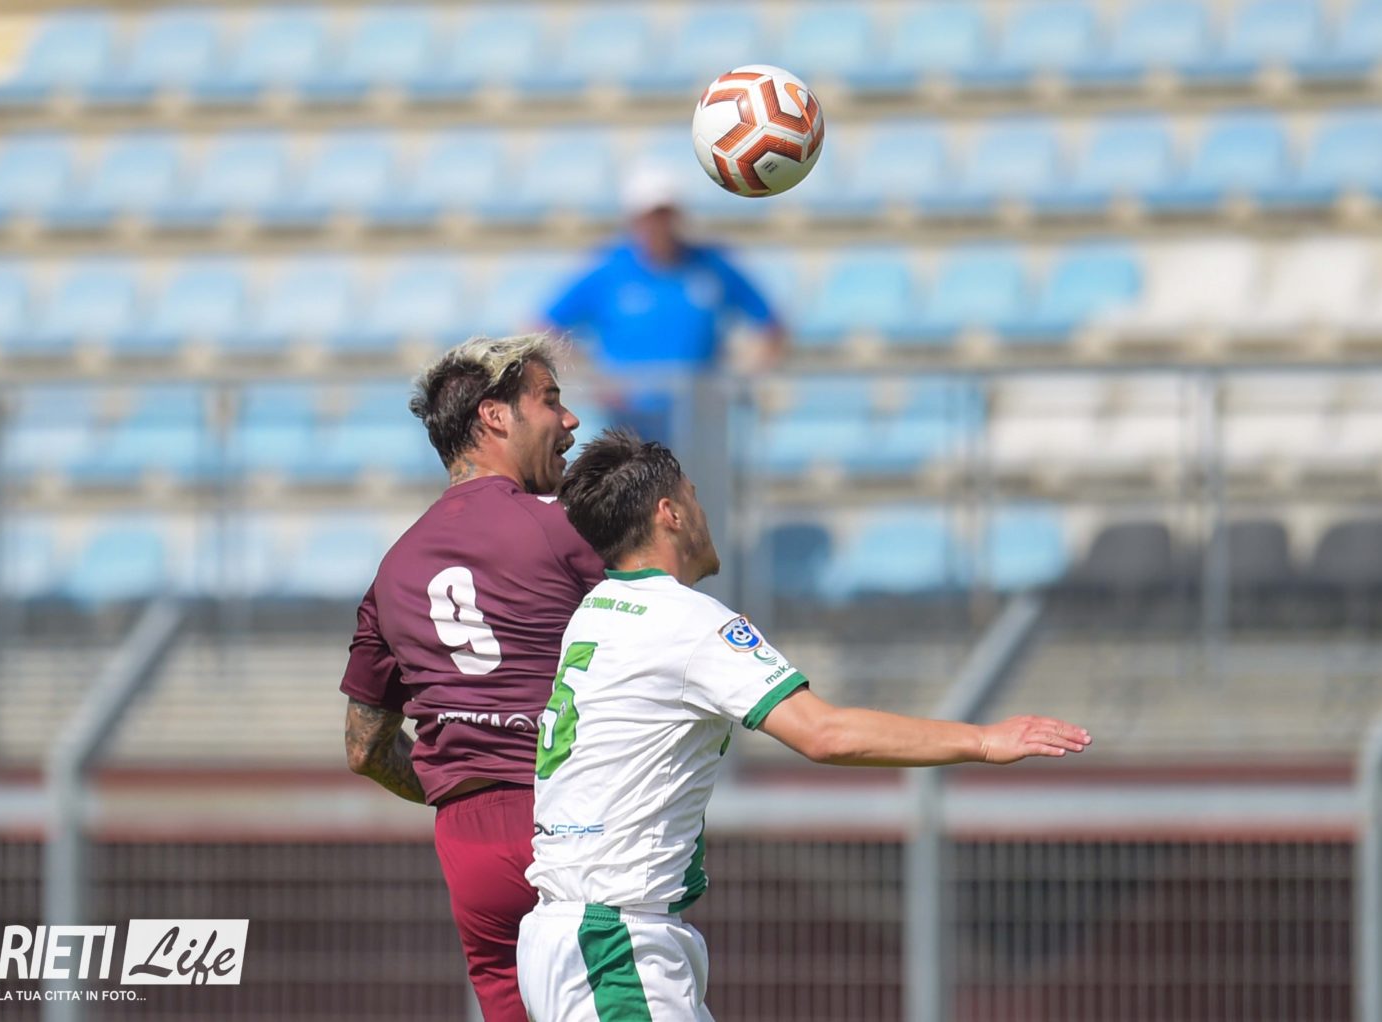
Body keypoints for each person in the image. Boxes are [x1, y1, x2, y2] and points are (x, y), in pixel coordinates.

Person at [517, 430, 1093, 1021]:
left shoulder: (594, 612)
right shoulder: (687, 622)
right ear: (671, 513)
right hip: (616, 944)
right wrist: (983, 740)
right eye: (694, 496)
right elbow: (825, 733)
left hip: (569, 933)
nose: (703, 513)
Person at [340, 334, 605, 1022]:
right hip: (571, 816)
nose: (570, 419)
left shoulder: (393, 566)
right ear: (494, 416)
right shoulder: (566, 527)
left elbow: (364, 748)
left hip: (468, 837)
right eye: (550, 401)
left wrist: (462, 780)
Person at [542, 165, 786, 442]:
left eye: (665, 215)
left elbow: (770, 325)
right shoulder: (610, 270)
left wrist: (741, 374)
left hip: (698, 419)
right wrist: (594, 378)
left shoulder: (711, 266)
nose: (658, 226)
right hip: (628, 421)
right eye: (650, 216)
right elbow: (546, 326)